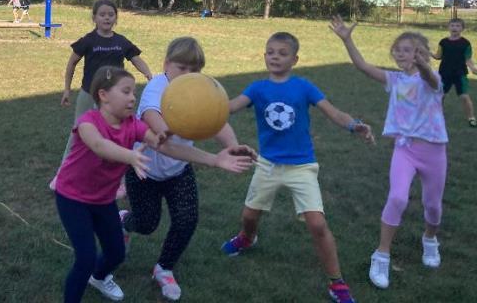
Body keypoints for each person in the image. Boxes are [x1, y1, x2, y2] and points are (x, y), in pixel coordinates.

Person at [55, 66, 252, 303]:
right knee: (86, 258)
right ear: (103, 95)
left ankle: (98, 277)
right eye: (126, 92)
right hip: (73, 199)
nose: (133, 98)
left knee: (116, 253)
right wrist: (130, 156)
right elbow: (99, 145)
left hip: (103, 200)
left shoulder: (133, 125)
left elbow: (167, 147)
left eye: (133, 92)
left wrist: (214, 159)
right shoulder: (88, 122)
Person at [221, 31, 373, 303]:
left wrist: (353, 125)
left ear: (295, 59)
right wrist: (204, 103)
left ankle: (337, 282)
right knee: (249, 216)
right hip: (267, 165)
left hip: (301, 167)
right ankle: (247, 238)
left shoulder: (304, 87)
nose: (275, 57)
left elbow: (334, 112)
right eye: (270, 52)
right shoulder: (257, 88)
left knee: (317, 224)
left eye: (282, 53)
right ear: (264, 56)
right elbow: (230, 107)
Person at [121, 37, 255, 301]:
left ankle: (164, 268)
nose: (187, 74)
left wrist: (233, 147)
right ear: (166, 65)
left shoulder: (199, 88)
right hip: (144, 170)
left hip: (178, 170)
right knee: (146, 224)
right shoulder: (155, 89)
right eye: (181, 68)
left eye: (194, 69)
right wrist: (212, 158)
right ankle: (124, 221)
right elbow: (162, 139)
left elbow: (216, 120)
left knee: (186, 220)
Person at [331, 17, 449, 290]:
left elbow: (430, 78)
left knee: (433, 205)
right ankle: (382, 254)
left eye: (408, 50)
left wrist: (422, 64)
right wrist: (347, 40)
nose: (400, 53)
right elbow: (363, 67)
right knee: (397, 197)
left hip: (433, 152)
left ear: (422, 53)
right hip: (405, 150)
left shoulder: (434, 79)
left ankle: (430, 239)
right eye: (398, 50)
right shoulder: (394, 80)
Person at [53, 0, 153, 194]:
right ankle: (62, 175)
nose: (107, 18)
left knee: (117, 133)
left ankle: (119, 181)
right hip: (88, 93)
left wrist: (149, 74)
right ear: (94, 18)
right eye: (102, 14)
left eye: (110, 15)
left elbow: (136, 59)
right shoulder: (88, 41)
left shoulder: (121, 42)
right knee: (78, 131)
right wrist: (67, 90)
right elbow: (71, 63)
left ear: (116, 18)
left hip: (114, 98)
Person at [431, 18, 477, 126]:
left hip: (460, 74)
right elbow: (438, 56)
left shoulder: (465, 43)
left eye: (457, 26)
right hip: (444, 73)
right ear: (448, 27)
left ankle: (471, 118)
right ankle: (436, 115)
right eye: (452, 25)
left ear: (462, 29)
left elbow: (468, 59)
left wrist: (473, 68)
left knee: (464, 96)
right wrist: (428, 53)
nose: (454, 28)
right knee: (440, 95)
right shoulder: (443, 42)